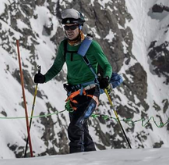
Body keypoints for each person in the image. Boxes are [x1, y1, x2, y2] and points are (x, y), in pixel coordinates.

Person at [33, 8, 113, 153]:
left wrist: (106, 78)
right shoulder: (64, 46)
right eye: (66, 27)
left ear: (80, 27)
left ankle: (74, 160)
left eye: (73, 27)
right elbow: (57, 67)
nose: (69, 30)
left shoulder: (91, 46)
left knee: (75, 127)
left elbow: (106, 65)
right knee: (82, 129)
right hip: (74, 95)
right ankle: (92, 158)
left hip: (90, 93)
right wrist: (43, 78)